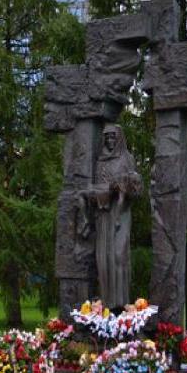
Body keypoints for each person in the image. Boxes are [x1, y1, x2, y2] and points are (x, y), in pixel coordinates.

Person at [79, 124, 141, 309]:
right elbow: (97, 188)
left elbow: (136, 189)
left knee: (118, 254)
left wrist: (123, 188)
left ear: (120, 138)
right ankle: (106, 302)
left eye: (113, 137)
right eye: (107, 138)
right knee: (103, 256)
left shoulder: (127, 159)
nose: (110, 141)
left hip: (120, 215)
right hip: (103, 213)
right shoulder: (101, 162)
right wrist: (105, 191)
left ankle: (121, 302)